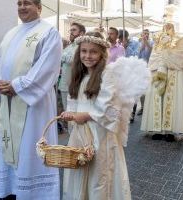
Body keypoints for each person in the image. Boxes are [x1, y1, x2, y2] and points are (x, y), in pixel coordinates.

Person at [62, 31, 149, 200]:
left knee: (99, 175)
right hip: (80, 134)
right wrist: (70, 113)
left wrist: (85, 115)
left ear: (102, 54)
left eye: (93, 52)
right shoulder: (78, 75)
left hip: (99, 135)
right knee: (80, 172)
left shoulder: (107, 75)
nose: (87, 56)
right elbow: (72, 100)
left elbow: (109, 107)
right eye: (84, 51)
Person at [0, 0, 62, 199]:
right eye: (19, 3)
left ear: (39, 7)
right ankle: (13, 190)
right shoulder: (10, 34)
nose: (22, 7)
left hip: (34, 104)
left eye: (27, 3)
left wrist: (17, 85)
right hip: (10, 101)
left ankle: (37, 193)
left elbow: (48, 68)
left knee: (31, 146)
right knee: (11, 145)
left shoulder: (49, 33)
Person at [141, 23, 183, 142]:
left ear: (173, 28)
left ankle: (169, 131)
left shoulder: (180, 39)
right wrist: (161, 60)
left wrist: (168, 56)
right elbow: (154, 56)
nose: (167, 29)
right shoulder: (158, 40)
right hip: (158, 72)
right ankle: (158, 130)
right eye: (165, 27)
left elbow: (182, 58)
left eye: (169, 26)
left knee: (172, 101)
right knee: (158, 99)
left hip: (174, 74)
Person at [58, 22, 85, 113]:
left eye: (74, 30)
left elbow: (72, 59)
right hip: (64, 85)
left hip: (75, 86)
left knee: (74, 114)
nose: (71, 32)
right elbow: (60, 58)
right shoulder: (70, 46)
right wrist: (63, 56)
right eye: (71, 30)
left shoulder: (82, 46)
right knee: (67, 113)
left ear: (81, 33)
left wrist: (63, 56)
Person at [118, 29, 140, 123]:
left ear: (126, 37)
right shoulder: (117, 44)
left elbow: (136, 55)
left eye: (121, 37)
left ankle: (132, 113)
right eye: (119, 38)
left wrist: (127, 47)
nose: (120, 39)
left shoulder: (135, 43)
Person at [137, 29, 154, 116]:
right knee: (142, 89)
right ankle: (143, 107)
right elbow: (137, 54)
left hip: (150, 68)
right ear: (141, 35)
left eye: (147, 34)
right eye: (144, 34)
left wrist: (146, 42)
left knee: (150, 88)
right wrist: (142, 44)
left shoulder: (152, 42)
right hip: (141, 69)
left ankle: (150, 106)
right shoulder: (139, 43)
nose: (146, 35)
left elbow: (151, 51)